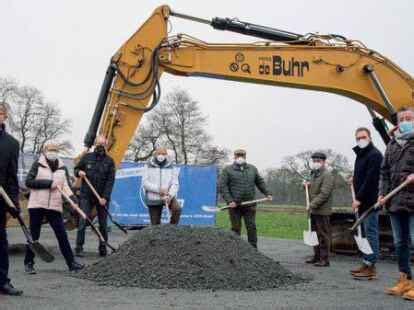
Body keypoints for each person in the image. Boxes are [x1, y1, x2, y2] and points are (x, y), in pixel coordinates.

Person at [24, 143, 84, 274]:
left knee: (62, 235)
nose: (53, 152)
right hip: (37, 205)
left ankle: (71, 263)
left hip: (54, 206)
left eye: (55, 150)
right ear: (45, 151)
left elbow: (66, 186)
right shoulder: (38, 164)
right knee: (34, 236)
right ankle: (29, 263)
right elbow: (29, 182)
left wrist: (74, 200)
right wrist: (48, 184)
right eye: (50, 150)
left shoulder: (62, 167)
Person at [379, 107, 414, 300]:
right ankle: (405, 280)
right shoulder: (392, 145)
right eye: (403, 119)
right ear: (398, 124)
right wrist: (381, 194)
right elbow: (384, 173)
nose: (406, 121)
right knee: (400, 243)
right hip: (395, 202)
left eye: (410, 118)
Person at [220, 149, 272, 248]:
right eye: (238, 155)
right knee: (235, 228)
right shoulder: (227, 170)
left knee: (251, 227)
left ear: (245, 157)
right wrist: (229, 200)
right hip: (234, 206)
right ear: (234, 157)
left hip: (250, 205)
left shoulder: (252, 169)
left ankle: (253, 249)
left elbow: (260, 182)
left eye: (242, 155)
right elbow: (223, 186)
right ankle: (236, 249)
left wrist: (267, 193)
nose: (240, 157)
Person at [349, 127, 383, 280]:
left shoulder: (374, 155)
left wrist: (359, 198)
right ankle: (366, 262)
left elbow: (371, 180)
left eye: (363, 137)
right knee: (363, 234)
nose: (360, 140)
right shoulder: (361, 154)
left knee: (370, 233)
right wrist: (353, 179)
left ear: (370, 137)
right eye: (358, 138)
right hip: (363, 201)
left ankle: (371, 266)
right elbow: (361, 176)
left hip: (370, 201)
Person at [74, 135, 115, 257]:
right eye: (98, 144)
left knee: (103, 224)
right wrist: (79, 172)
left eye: (103, 144)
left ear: (105, 145)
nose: (100, 146)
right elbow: (76, 169)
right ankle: (79, 247)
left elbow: (110, 181)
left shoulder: (109, 161)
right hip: (86, 195)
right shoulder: (87, 158)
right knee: (83, 220)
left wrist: (105, 198)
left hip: (101, 197)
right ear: (95, 144)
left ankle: (103, 247)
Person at [0, 103, 23, 296]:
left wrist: (13, 203)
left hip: (0, 200)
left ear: (4, 117)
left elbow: (12, 177)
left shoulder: (11, 144)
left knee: (0, 241)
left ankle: (2, 282)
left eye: (0, 113)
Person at [305, 152, 334, 267]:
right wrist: (306, 186)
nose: (316, 163)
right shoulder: (313, 174)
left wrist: (312, 204)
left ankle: (324, 259)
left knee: (323, 235)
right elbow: (312, 191)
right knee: (314, 234)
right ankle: (316, 256)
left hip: (322, 210)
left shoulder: (327, 175)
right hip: (313, 210)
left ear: (323, 162)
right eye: (314, 161)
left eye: (318, 161)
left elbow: (324, 194)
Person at [142, 148, 181, 225]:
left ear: (166, 155)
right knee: (155, 225)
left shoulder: (171, 166)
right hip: (153, 198)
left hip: (168, 196)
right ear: (155, 155)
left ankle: (172, 229)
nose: (161, 156)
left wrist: (170, 195)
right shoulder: (148, 165)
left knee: (177, 209)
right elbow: (145, 183)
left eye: (163, 154)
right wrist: (159, 190)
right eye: (159, 153)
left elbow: (175, 183)